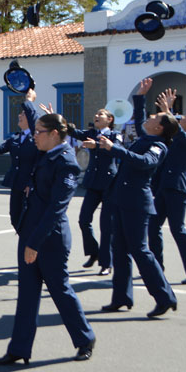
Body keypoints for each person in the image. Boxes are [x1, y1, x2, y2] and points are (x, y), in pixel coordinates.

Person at [0, 113, 96, 365]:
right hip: (30, 232)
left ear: (53, 134)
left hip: (50, 238)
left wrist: (34, 244)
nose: (34, 135)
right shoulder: (44, 154)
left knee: (60, 290)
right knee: (27, 294)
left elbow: (56, 208)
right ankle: (19, 348)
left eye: (39, 131)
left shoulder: (66, 162)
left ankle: (85, 338)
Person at [99, 78, 179, 318]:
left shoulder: (159, 146)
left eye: (155, 118)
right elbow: (141, 117)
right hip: (122, 199)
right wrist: (141, 96)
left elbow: (146, 163)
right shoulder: (148, 137)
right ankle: (121, 297)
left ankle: (165, 297)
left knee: (140, 251)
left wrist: (114, 149)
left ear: (160, 128)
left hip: (136, 202)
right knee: (119, 249)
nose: (150, 118)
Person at [148, 88, 186, 284]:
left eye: (185, 118)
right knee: (153, 226)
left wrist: (169, 111)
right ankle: (156, 266)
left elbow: (179, 132)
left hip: (177, 189)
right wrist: (165, 113)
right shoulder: (176, 137)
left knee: (177, 230)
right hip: (164, 186)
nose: (181, 119)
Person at [71, 106, 120, 275]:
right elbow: (74, 132)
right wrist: (56, 119)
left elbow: (116, 150)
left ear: (110, 119)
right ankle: (94, 252)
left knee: (106, 226)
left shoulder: (115, 135)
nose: (97, 116)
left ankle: (107, 263)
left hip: (109, 184)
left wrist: (97, 146)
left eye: (101, 114)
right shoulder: (91, 133)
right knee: (83, 220)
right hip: (92, 183)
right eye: (96, 113)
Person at [0, 91, 38, 231]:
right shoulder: (15, 137)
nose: (19, 115)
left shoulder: (36, 137)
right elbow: (0, 150)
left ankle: (29, 245)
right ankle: (25, 240)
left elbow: (37, 161)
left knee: (28, 217)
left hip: (29, 185)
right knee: (14, 216)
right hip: (16, 182)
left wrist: (32, 182)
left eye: (23, 114)